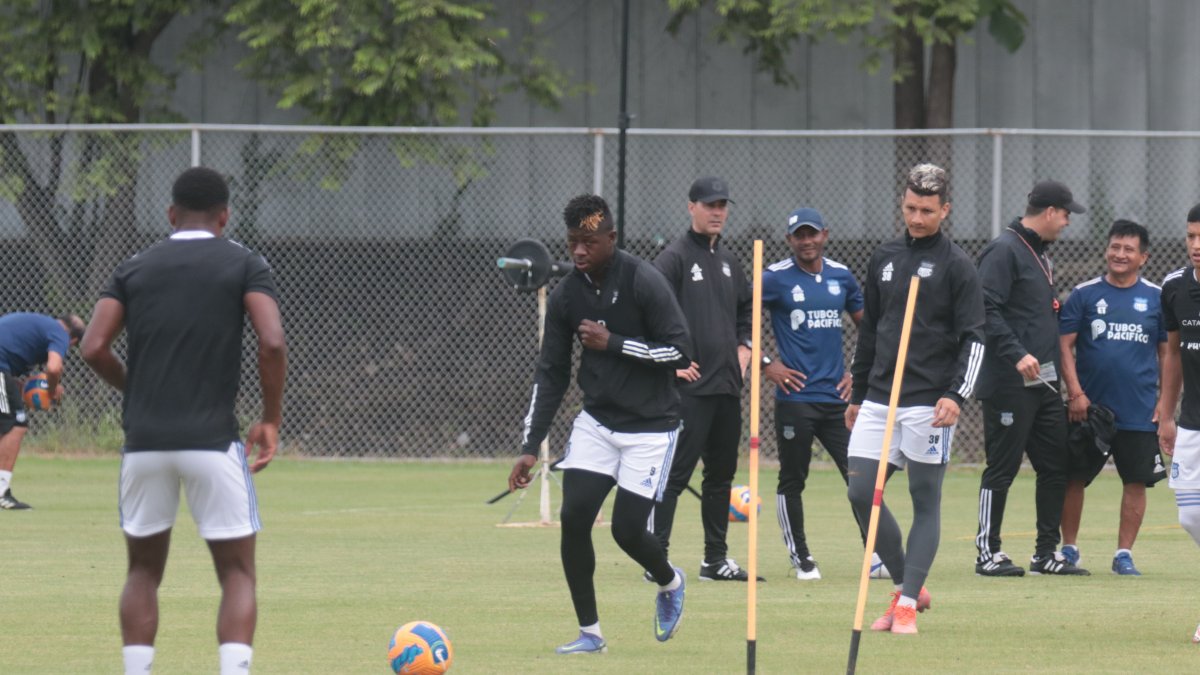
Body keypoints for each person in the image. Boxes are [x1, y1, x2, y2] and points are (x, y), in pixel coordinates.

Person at [80, 167, 287, 675]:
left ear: (170, 215)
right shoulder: (244, 263)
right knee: (238, 572)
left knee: (143, 570)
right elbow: (273, 342)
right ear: (224, 216)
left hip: (145, 442)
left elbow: (92, 347)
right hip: (212, 441)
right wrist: (270, 419)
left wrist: (137, 388)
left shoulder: (133, 267)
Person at [508, 194, 690, 654]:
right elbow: (550, 373)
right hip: (597, 423)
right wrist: (531, 445)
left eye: (589, 241)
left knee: (627, 531)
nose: (579, 252)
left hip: (652, 427)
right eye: (573, 242)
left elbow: (681, 354)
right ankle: (591, 633)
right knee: (573, 518)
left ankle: (670, 583)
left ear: (611, 238)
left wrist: (615, 343)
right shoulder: (568, 293)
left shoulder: (644, 281)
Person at [845, 163, 986, 634]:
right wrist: (858, 392)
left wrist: (957, 395)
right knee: (861, 491)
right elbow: (870, 333)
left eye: (927, 210)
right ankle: (910, 582)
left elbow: (975, 338)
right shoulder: (883, 257)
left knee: (925, 499)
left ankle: (905, 604)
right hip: (881, 397)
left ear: (945, 209)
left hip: (929, 402)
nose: (917, 218)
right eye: (910, 208)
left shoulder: (958, 265)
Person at [973, 180, 1091, 577]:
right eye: (1066, 214)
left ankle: (1045, 553)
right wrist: (1016, 352)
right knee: (1002, 468)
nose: (1068, 222)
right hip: (1009, 379)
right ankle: (986, 551)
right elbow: (984, 310)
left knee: (1055, 465)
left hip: (1043, 380)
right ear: (1050, 211)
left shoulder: (1040, 254)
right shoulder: (1004, 250)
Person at [649, 176, 756, 582]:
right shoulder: (674, 258)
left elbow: (745, 311)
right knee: (673, 476)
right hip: (687, 391)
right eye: (709, 205)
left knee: (720, 478)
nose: (717, 212)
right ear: (691, 207)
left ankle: (715, 560)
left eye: (722, 205)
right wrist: (670, 361)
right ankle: (654, 557)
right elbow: (649, 310)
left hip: (726, 387)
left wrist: (745, 346)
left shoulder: (730, 262)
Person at [760, 206, 874, 581]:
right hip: (795, 399)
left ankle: (875, 556)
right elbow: (735, 317)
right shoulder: (774, 278)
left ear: (825, 234)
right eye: (799, 235)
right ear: (789, 239)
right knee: (793, 479)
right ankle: (802, 558)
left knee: (860, 478)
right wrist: (766, 364)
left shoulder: (841, 276)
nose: (806, 241)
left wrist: (857, 375)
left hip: (838, 402)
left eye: (812, 234)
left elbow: (869, 331)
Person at [1058, 220, 1167, 576]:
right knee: (1074, 476)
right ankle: (1069, 548)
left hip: (1138, 409)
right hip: (1090, 410)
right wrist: (1075, 393)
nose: (1120, 255)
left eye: (1128, 249)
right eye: (1115, 247)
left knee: (1135, 481)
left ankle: (1124, 555)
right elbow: (1064, 345)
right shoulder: (1085, 294)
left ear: (1143, 257)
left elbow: (1168, 353)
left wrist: (1165, 402)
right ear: (1106, 250)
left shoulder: (1156, 298)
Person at [1154, 203, 1200, 642]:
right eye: (1190, 237)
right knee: (1190, 517)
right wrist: (1166, 415)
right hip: (1191, 424)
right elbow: (1172, 354)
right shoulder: (1173, 287)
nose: (1196, 246)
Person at [0, 312, 85, 510]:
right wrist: (52, 390)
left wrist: (23, 388)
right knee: (16, 424)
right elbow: (54, 368)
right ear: (73, 340)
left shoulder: (39, 325)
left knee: (5, 424)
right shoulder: (60, 333)